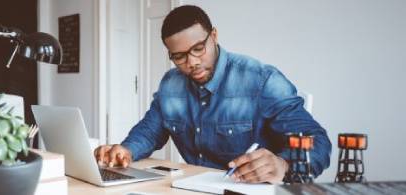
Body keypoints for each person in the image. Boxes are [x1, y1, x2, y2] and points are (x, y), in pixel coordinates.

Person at [94, 5, 331, 184]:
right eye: (179, 56)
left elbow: (318, 141)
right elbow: (149, 131)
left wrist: (283, 164)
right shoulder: (170, 85)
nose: (192, 62)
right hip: (193, 187)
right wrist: (126, 150)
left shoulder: (261, 79)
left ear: (214, 36)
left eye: (198, 49)